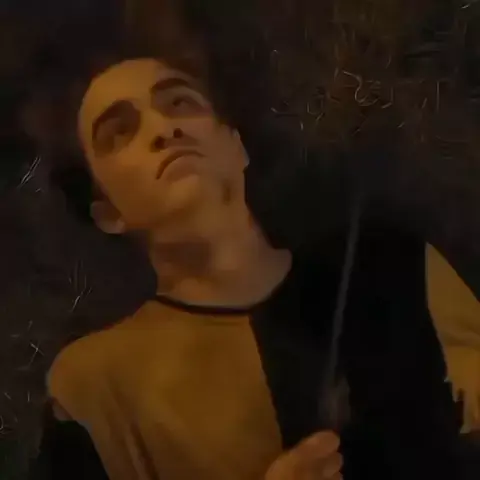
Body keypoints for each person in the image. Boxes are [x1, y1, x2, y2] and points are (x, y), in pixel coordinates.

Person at [25, 36, 467, 478]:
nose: (163, 129)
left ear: (235, 145)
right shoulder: (93, 386)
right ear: (108, 213)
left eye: (180, 103)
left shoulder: (396, 269)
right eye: (120, 132)